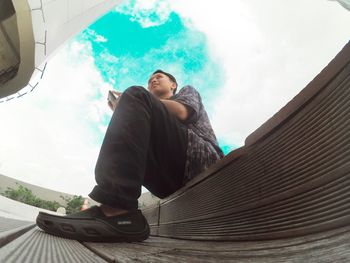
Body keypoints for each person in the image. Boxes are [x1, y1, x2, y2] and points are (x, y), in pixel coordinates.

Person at [36, 70, 224, 242]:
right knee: (134, 105)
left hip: (201, 161)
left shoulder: (187, 91)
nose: (153, 79)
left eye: (159, 77)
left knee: (135, 94)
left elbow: (182, 112)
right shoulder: (150, 113)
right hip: (169, 180)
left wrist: (134, 100)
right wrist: (129, 107)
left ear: (173, 85)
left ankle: (117, 210)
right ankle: (118, 210)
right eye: (151, 79)